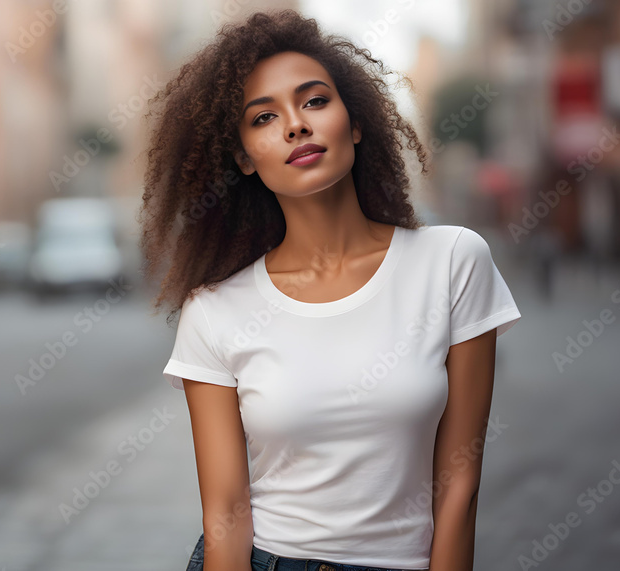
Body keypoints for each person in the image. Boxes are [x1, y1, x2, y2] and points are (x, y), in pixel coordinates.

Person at [138, 9, 521, 571]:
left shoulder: (452, 262)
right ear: (243, 157)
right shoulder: (217, 310)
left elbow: (459, 483)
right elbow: (224, 512)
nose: (296, 124)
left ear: (356, 121)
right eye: (264, 117)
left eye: (315, 101)